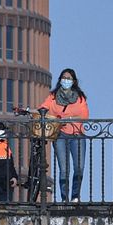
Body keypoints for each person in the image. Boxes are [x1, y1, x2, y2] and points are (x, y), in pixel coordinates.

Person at [40, 68, 89, 202]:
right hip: (60, 135)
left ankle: (75, 195)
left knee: (79, 167)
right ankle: (64, 197)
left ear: (73, 81)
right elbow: (43, 109)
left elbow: (84, 116)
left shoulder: (80, 97)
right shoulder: (53, 96)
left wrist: (68, 118)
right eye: (64, 78)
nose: (66, 80)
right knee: (64, 168)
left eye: (68, 78)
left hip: (77, 135)